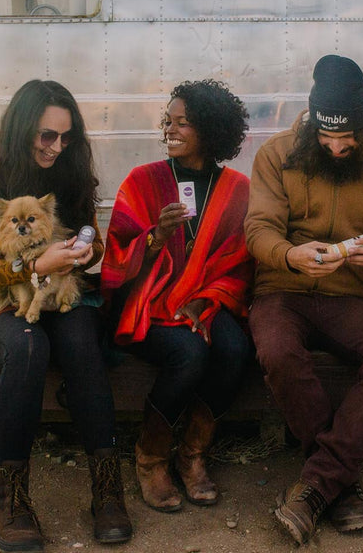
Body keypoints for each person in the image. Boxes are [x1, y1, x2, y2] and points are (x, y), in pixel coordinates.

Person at [0, 80, 132, 552]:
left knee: (77, 340)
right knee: (29, 345)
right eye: (48, 135)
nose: (57, 146)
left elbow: (95, 241)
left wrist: (83, 254)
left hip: (63, 291)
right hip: (1, 298)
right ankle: (11, 500)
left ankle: (107, 488)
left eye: (66, 137)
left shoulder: (71, 175)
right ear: (22, 129)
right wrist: (31, 264)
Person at [245, 53, 363, 545]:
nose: (338, 148)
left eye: (348, 140)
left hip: (347, 297)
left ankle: (316, 485)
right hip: (281, 289)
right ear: (311, 125)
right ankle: (340, 486)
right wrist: (289, 254)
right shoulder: (277, 154)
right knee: (278, 352)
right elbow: (257, 230)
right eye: (327, 139)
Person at [102, 79, 255, 512]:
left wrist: (204, 299)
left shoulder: (236, 189)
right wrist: (156, 237)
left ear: (209, 129)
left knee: (233, 347)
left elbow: (239, 262)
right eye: (167, 121)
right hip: (147, 302)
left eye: (182, 123)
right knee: (189, 354)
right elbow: (116, 259)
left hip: (207, 299)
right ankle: (150, 457)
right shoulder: (143, 181)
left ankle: (192, 454)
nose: (170, 129)